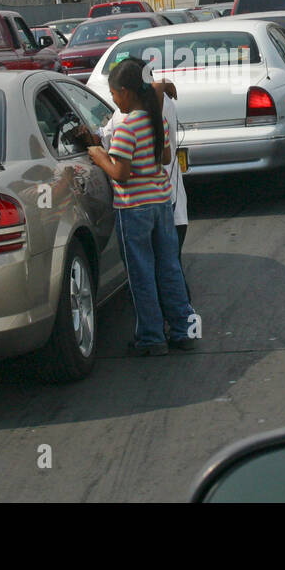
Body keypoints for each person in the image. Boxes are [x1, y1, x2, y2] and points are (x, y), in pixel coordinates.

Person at [85, 59, 197, 355]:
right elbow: (164, 157)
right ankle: (183, 330)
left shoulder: (125, 128)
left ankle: (151, 338)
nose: (112, 100)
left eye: (113, 94)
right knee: (169, 267)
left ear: (125, 92)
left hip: (134, 208)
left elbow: (120, 173)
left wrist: (99, 156)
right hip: (162, 204)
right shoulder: (154, 120)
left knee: (141, 274)